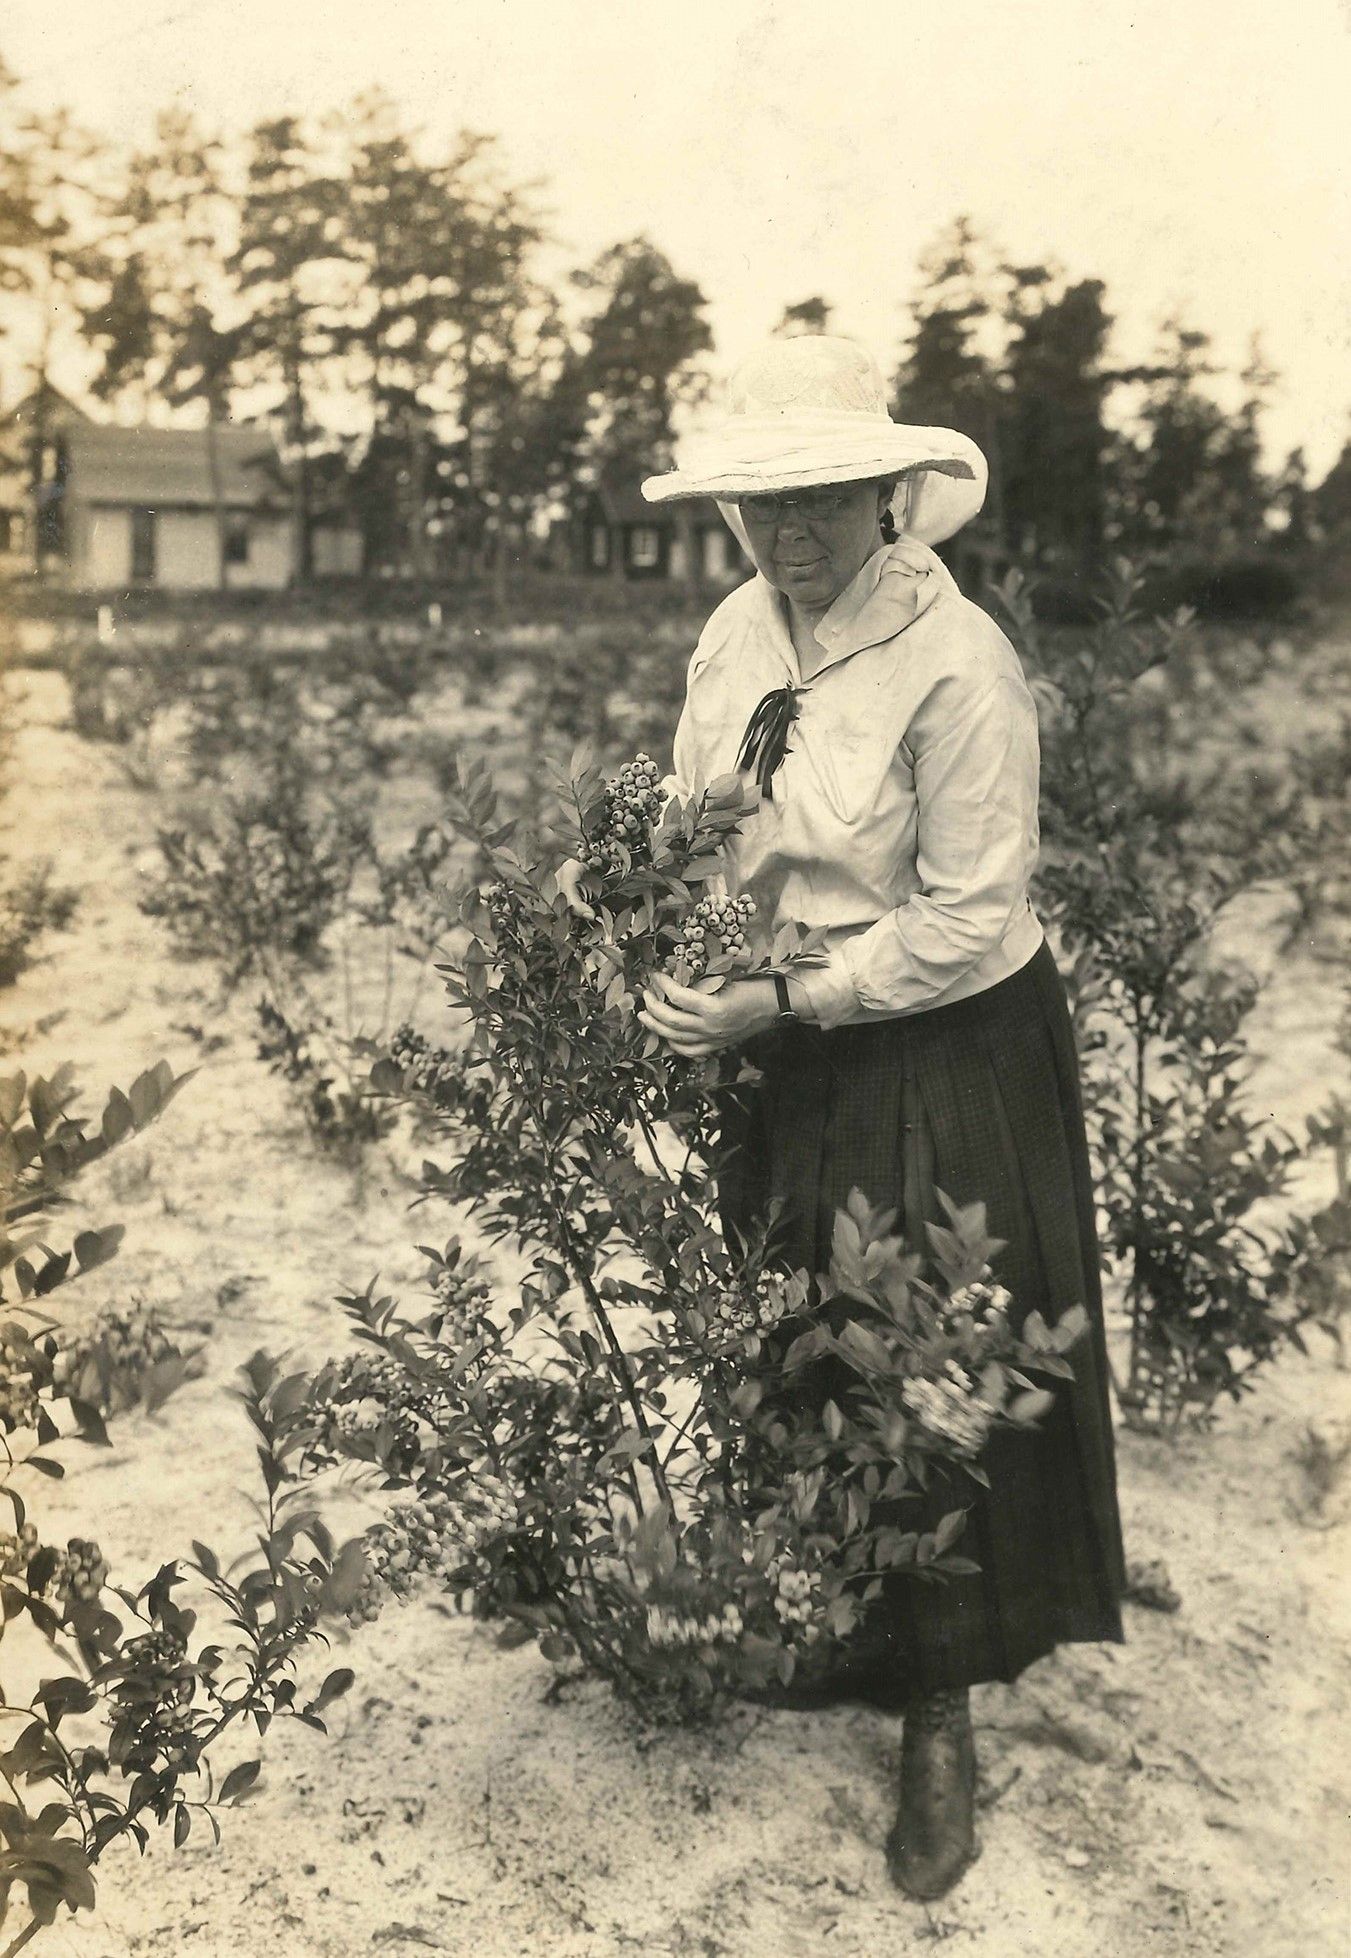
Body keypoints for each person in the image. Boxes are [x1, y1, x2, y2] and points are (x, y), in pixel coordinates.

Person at [556, 335, 1126, 1901]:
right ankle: (820, 1623)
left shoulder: (963, 665)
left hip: (938, 1037)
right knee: (788, 1322)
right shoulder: (737, 628)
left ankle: (937, 1712)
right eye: (759, 500)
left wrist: (786, 999)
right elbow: (697, 812)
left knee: (920, 1344)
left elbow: (972, 916)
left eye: (819, 497)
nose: (787, 531)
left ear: (890, 493)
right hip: (779, 1028)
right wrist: (638, 904)